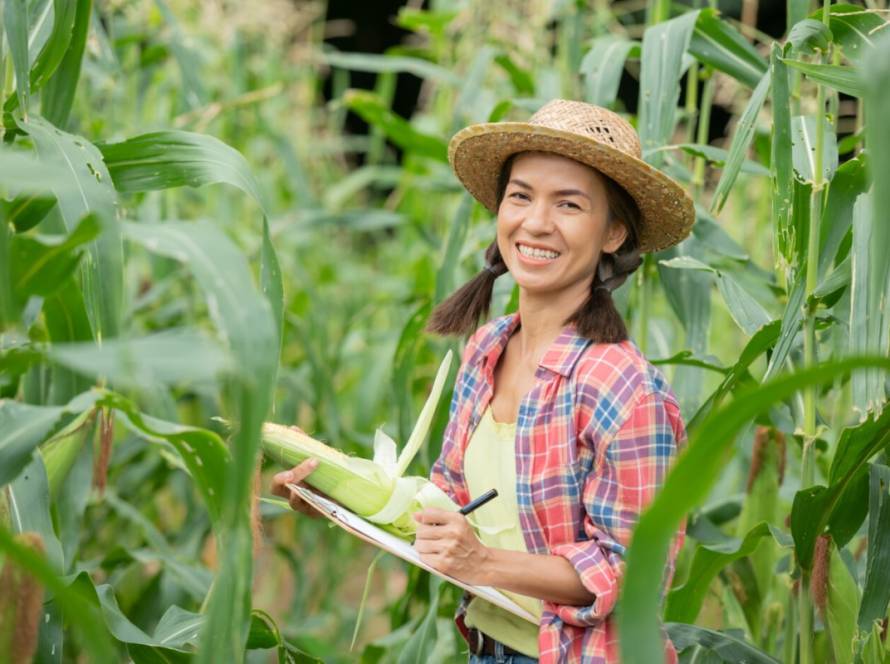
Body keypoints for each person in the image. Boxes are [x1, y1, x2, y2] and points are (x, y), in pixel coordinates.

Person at [273, 99, 692, 663]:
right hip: (488, 649)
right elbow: (450, 504)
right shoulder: (487, 348)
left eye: (569, 204)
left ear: (614, 232)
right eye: (520, 196)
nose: (536, 222)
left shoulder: (623, 387)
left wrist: (482, 563)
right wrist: (334, 493)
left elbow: (633, 571)